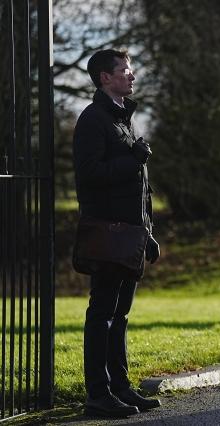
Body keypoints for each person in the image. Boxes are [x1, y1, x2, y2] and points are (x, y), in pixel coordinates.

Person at [73, 49, 161, 417]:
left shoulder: (123, 118)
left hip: (130, 235)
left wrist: (148, 232)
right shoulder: (93, 119)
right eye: (124, 70)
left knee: (120, 315)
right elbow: (90, 175)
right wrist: (133, 158)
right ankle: (98, 394)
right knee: (103, 314)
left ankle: (120, 388)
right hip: (109, 235)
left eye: (130, 69)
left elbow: (139, 190)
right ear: (104, 78)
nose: (132, 75)